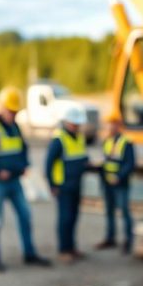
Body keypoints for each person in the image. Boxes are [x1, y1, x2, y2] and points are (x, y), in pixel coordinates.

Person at [0, 86, 52, 272]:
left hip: (15, 182)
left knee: (25, 215)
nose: (13, 115)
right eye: (10, 111)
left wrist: (24, 165)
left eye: (15, 112)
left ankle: (29, 253)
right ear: (1, 108)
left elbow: (23, 149)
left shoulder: (15, 127)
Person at [45, 105, 90, 263]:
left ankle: (71, 247)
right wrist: (52, 185)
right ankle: (63, 250)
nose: (76, 127)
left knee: (73, 217)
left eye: (78, 124)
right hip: (63, 186)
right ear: (66, 122)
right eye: (74, 124)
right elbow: (49, 164)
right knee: (65, 218)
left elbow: (82, 158)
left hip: (76, 184)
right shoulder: (59, 140)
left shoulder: (79, 137)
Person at [94, 111, 135, 254]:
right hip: (107, 183)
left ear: (119, 125)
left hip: (120, 184)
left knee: (124, 211)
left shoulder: (126, 142)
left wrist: (119, 176)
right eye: (108, 124)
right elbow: (106, 161)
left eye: (113, 124)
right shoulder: (107, 141)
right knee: (109, 212)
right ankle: (110, 238)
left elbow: (130, 164)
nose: (110, 127)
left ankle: (128, 241)